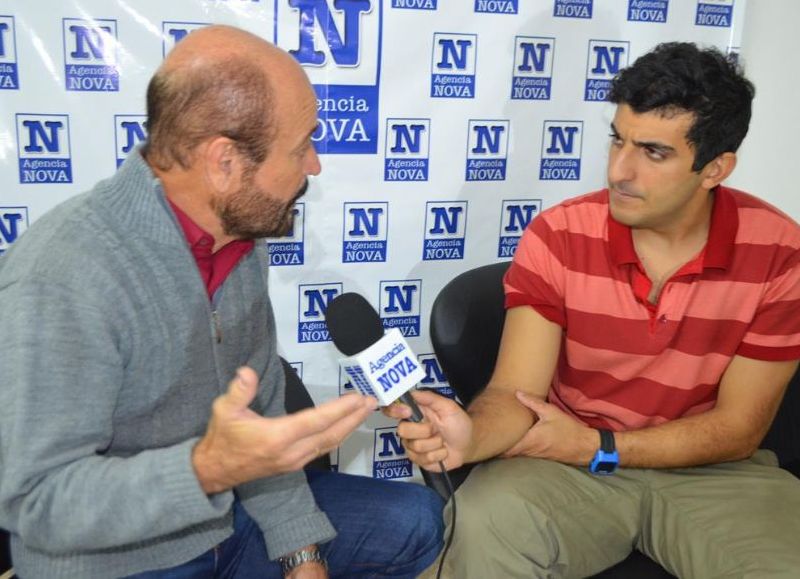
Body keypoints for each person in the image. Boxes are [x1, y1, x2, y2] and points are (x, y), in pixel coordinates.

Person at [0, 26, 443, 579]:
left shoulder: (240, 242)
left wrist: (302, 556)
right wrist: (205, 470)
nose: (315, 166)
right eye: (301, 145)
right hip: (117, 560)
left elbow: (261, 425)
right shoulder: (65, 273)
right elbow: (37, 505)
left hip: (229, 524)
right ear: (224, 161)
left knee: (414, 520)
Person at [387, 42, 800, 578]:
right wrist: (470, 435)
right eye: (617, 140)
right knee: (483, 524)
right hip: (566, 467)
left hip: (713, 470)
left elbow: (739, 429)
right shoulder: (558, 236)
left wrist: (600, 445)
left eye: (653, 153)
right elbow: (516, 394)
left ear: (715, 168)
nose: (619, 171)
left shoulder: (779, 253)